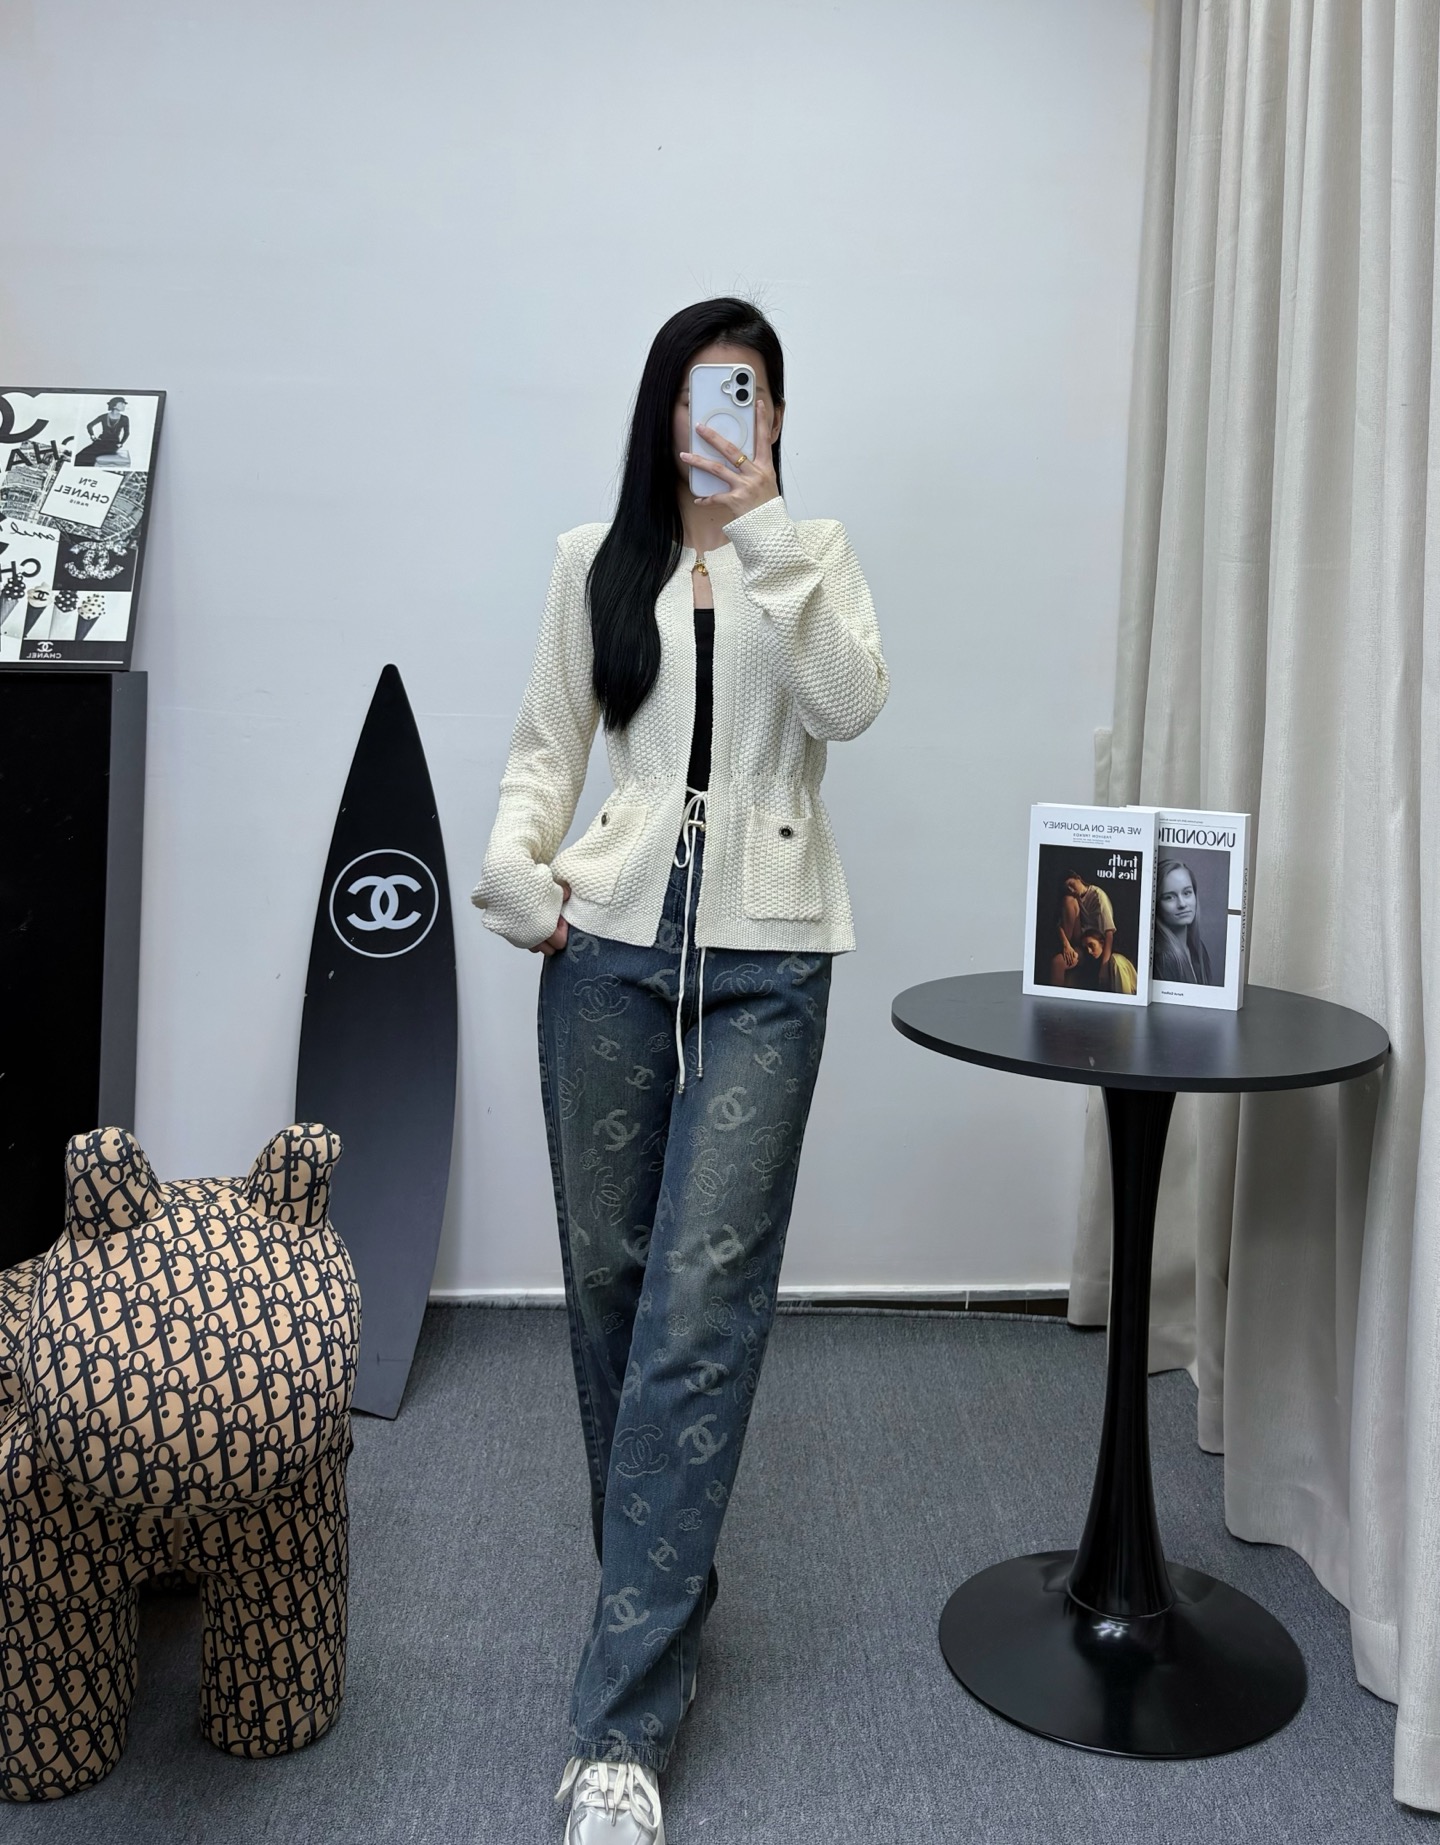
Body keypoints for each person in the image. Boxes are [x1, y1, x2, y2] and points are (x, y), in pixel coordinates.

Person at [472, 298, 888, 1845]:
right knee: (611, 1290)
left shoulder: (813, 556)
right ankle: (664, 1596)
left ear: (775, 418)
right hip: (609, 954)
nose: (728, 417)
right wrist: (521, 879)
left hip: (773, 966)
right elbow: (545, 747)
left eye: (753, 394)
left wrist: (767, 526)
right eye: (709, 392)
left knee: (698, 1314)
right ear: (665, 410)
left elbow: (851, 706)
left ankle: (622, 1732)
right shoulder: (596, 562)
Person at [1154, 857, 1214, 984]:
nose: (1182, 904)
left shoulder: (1198, 949)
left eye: (1187, 893)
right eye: (1169, 897)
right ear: (1156, 903)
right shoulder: (1162, 959)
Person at [1077, 928, 1138, 994]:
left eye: (1091, 945)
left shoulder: (1116, 962)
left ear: (1102, 943)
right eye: (1086, 949)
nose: (1089, 951)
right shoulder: (1095, 968)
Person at [74, 398, 130, 469]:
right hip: (100, 442)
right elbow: (89, 425)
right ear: (114, 405)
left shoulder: (124, 418)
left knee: (91, 457)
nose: (124, 405)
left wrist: (121, 443)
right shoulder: (104, 416)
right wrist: (92, 435)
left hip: (113, 444)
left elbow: (127, 433)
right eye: (122, 404)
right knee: (81, 456)